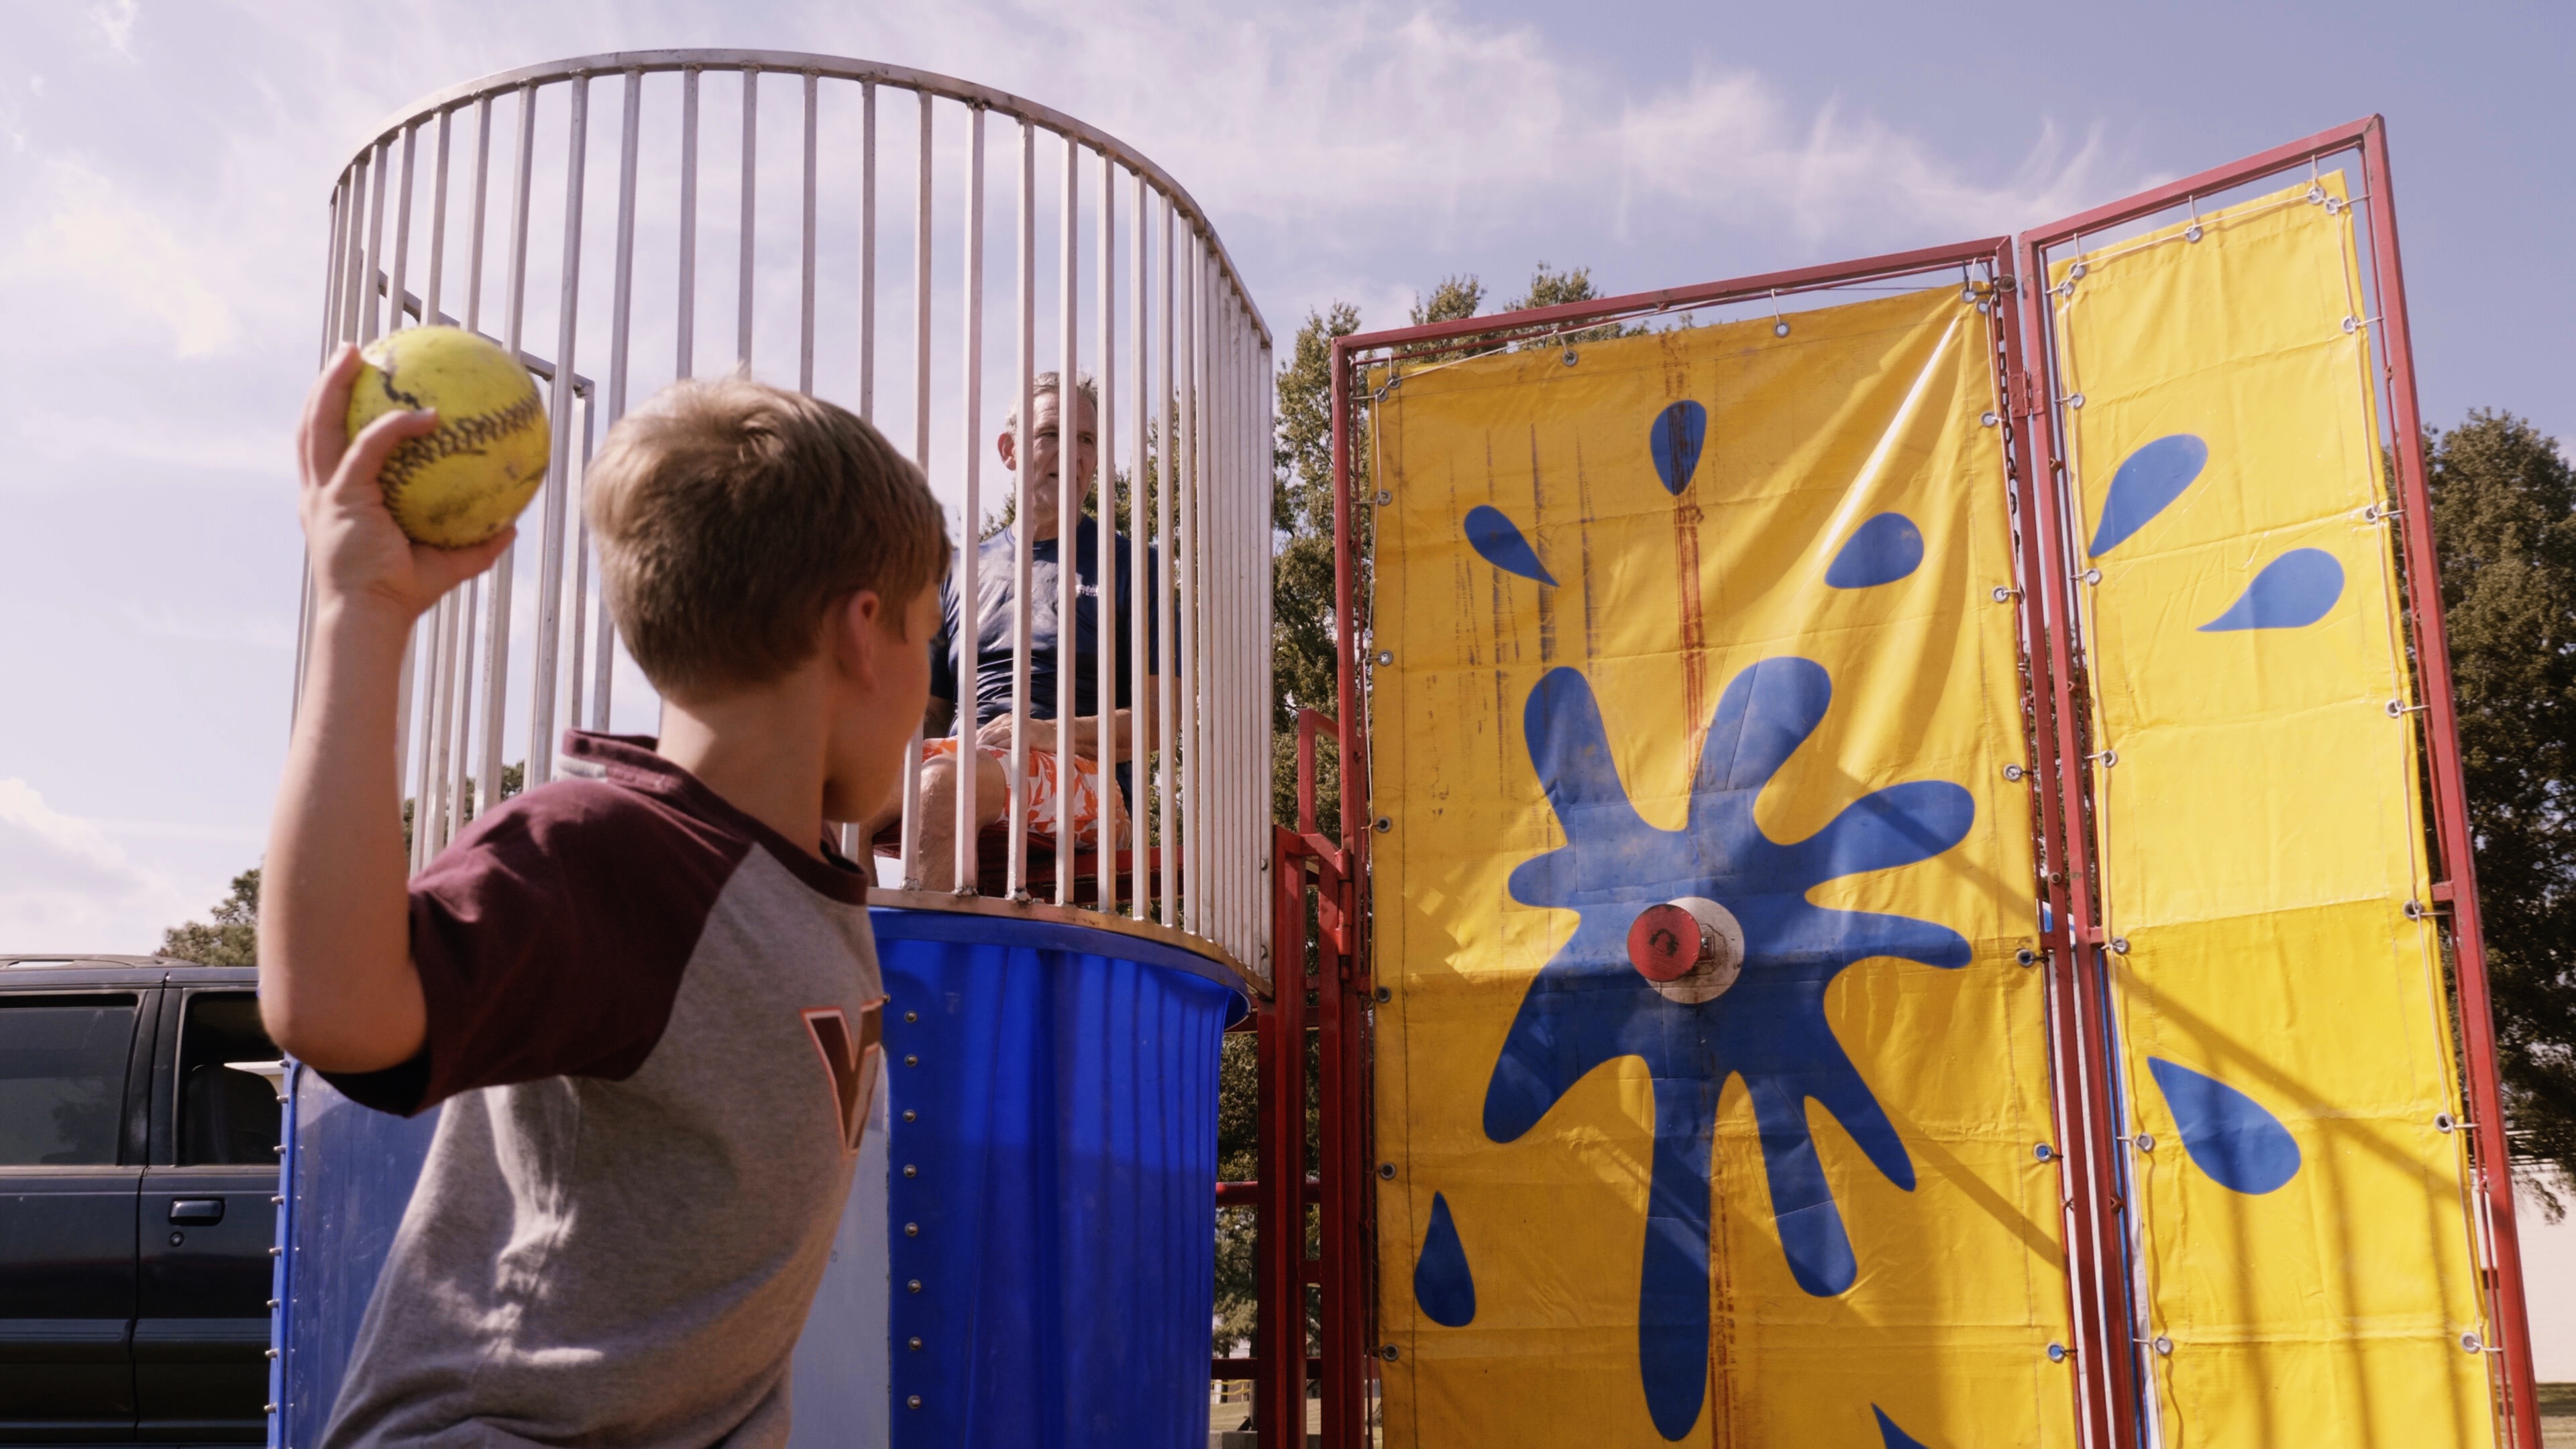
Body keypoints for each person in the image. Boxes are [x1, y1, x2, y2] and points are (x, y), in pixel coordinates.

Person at [260, 357, 947, 1446]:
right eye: (929, 632)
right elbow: (335, 1008)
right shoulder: (614, 858)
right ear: (865, 632)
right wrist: (365, 612)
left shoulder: (798, 875)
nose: (929, 690)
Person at [890, 372, 1159, 890]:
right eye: (1052, 434)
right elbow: (930, 713)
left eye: (1087, 440)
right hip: (962, 759)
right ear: (1010, 450)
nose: (1074, 454)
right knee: (832, 795)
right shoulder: (955, 571)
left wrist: (1041, 732)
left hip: (1091, 783)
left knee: (945, 785)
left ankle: (932, 972)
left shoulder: (1131, 566)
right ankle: (854, 966)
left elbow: (1156, 722)